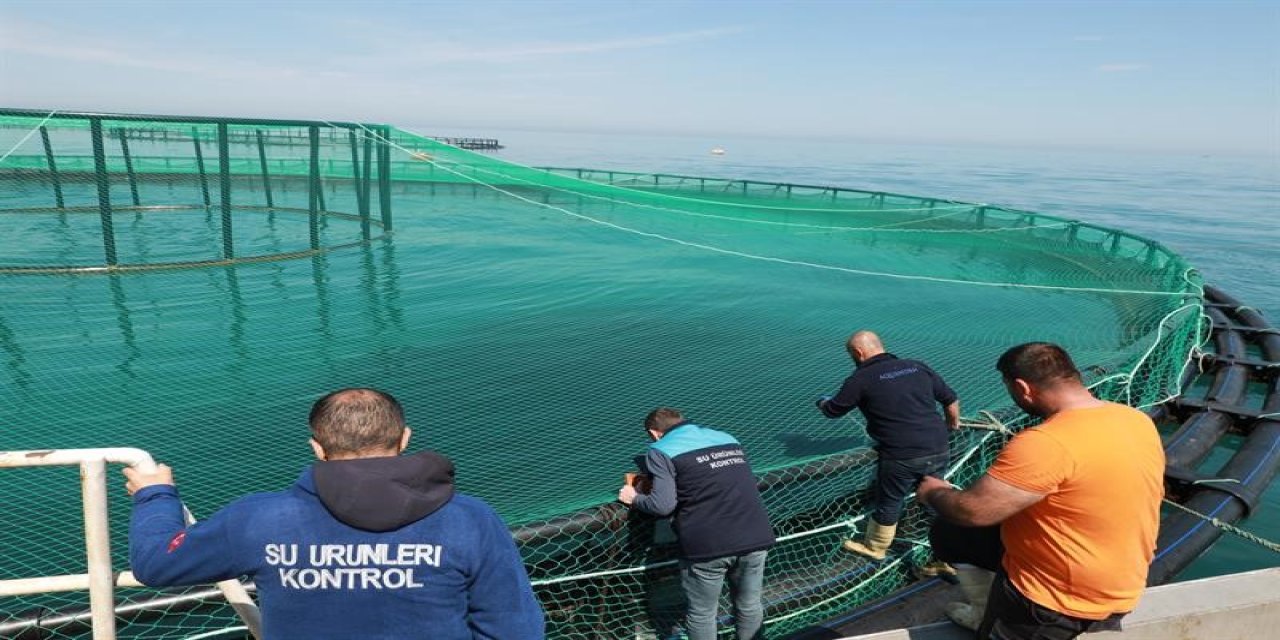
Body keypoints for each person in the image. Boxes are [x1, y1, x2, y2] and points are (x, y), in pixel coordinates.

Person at [124, 388, 546, 640]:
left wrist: (156, 497)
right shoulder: (469, 519)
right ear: (404, 439)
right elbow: (515, 629)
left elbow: (157, 562)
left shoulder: (259, 518)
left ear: (318, 448)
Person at [916, 342, 1165, 640]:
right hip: (1124, 572)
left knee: (955, 517)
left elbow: (972, 510)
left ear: (1023, 388)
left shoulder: (1045, 442)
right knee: (950, 533)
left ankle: (993, 622)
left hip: (1056, 602)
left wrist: (934, 492)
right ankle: (984, 610)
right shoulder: (1134, 419)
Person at [618, 407, 775, 640]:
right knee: (749, 605)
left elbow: (663, 505)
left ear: (654, 433)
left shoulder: (660, 450)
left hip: (708, 544)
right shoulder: (727, 438)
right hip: (755, 535)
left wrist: (635, 498)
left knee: (702, 614)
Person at [815, 330, 960, 559]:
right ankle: (949, 554)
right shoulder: (916, 366)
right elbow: (950, 399)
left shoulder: (860, 379)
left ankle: (875, 547)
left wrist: (822, 402)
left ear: (858, 353)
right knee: (934, 497)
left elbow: (834, 410)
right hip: (938, 446)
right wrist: (952, 425)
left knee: (891, 500)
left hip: (901, 455)